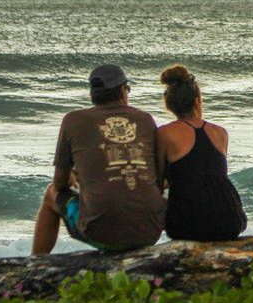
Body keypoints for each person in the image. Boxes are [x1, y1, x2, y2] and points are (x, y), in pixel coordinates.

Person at [32, 64, 166, 254]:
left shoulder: (73, 120)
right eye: (128, 89)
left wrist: (73, 174)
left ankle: (36, 263)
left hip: (100, 235)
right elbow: (157, 181)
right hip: (150, 233)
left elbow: (59, 184)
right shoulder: (145, 119)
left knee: (50, 194)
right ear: (121, 90)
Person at [156, 64, 247, 241]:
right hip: (230, 219)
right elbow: (211, 177)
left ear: (169, 104)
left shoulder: (164, 133)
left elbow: (159, 183)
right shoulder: (220, 132)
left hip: (187, 223)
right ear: (197, 100)